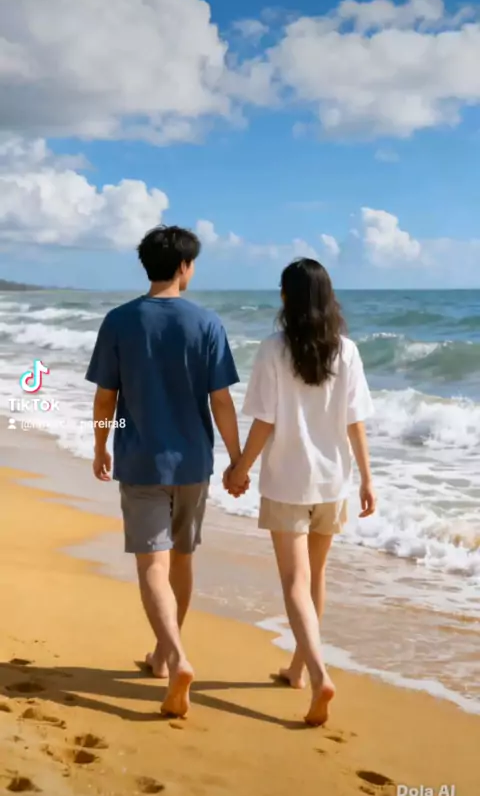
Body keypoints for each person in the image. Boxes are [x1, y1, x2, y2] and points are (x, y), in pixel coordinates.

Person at [86, 225, 247, 719]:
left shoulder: (119, 320)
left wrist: (100, 444)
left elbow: (106, 398)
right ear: (183, 267)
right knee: (181, 559)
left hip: (140, 460)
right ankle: (165, 655)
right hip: (194, 462)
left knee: (151, 566)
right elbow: (221, 400)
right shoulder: (207, 323)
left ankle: (172, 657)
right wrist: (237, 458)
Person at [225, 258, 375, 726]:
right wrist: (367, 479)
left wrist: (239, 469)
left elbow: (264, 421)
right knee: (315, 576)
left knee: (294, 581)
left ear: (286, 297)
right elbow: (355, 421)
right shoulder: (347, 351)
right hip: (333, 482)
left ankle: (317, 673)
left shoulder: (274, 349)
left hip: (288, 481)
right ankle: (296, 669)